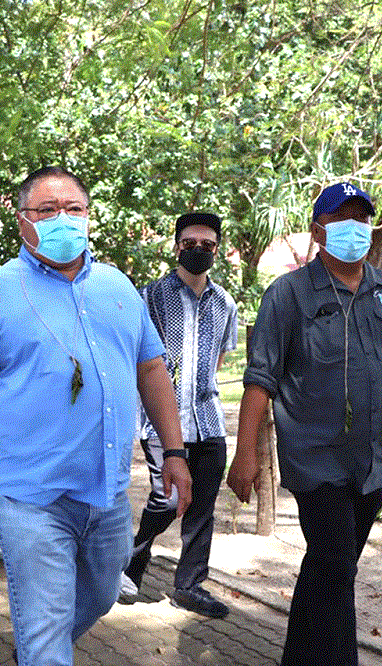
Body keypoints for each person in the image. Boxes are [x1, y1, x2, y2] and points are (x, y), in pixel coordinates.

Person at [0, 166, 192, 666]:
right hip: (30, 496)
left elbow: (152, 368)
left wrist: (173, 451)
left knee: (99, 597)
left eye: (73, 209)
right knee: (47, 632)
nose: (62, 219)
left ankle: (37, 647)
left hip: (108, 492)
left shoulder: (118, 285)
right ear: (23, 221)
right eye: (46, 210)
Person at [227, 182, 382, 666]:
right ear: (319, 231)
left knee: (332, 572)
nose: (355, 229)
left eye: (362, 219)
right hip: (314, 460)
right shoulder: (289, 295)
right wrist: (246, 455)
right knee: (335, 563)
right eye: (343, 219)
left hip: (368, 464)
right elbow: (260, 382)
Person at [120, 212, 238, 619]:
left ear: (217, 251)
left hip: (208, 419)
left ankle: (190, 585)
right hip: (161, 421)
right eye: (191, 243)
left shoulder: (225, 302)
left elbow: (219, 359)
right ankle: (132, 560)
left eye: (207, 245)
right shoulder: (149, 296)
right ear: (176, 246)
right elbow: (136, 358)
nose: (199, 250)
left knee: (203, 504)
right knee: (168, 499)